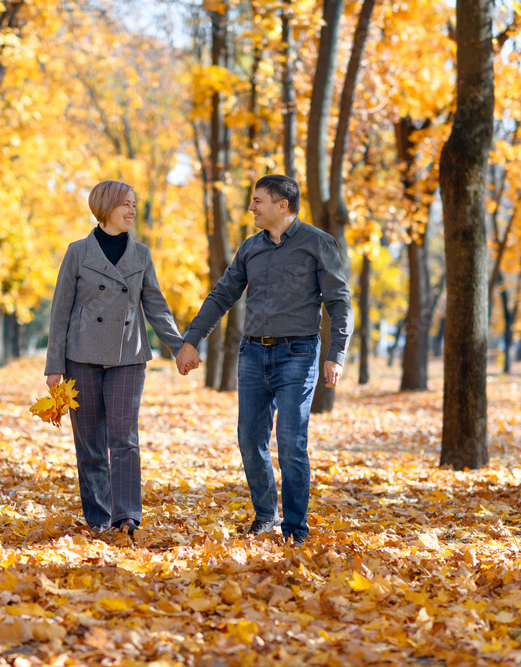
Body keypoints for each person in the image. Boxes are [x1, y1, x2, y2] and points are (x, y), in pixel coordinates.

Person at [176, 174, 354, 545]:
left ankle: (294, 530)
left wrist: (336, 354)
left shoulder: (318, 244)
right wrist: (192, 340)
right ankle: (266, 514)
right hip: (252, 353)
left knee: (291, 442)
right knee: (249, 440)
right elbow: (222, 295)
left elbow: (340, 303)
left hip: (299, 354)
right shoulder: (250, 248)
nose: (252, 207)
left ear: (282, 205)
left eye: (258, 201)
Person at [45, 180, 184, 538]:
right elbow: (60, 311)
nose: (132, 211)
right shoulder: (78, 252)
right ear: (105, 207)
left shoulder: (141, 254)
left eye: (134, 204)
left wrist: (179, 345)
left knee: (124, 438)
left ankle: (127, 518)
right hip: (81, 355)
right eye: (125, 204)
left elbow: (155, 305)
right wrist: (54, 366)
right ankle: (99, 517)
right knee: (90, 443)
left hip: (129, 355)